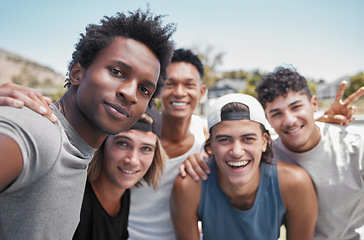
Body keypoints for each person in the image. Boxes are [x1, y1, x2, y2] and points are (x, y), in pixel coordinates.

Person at [0, 9, 174, 239]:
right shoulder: (39, 132)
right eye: (117, 72)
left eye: (144, 89)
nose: (130, 93)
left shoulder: (77, 153)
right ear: (77, 72)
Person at [170, 93, 317, 240]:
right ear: (211, 146)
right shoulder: (189, 186)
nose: (237, 152)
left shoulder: (295, 183)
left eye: (248, 139)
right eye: (224, 140)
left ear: (264, 142)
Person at [255, 67, 364, 239]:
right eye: (277, 114)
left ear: (314, 104)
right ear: (267, 119)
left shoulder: (357, 146)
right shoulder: (266, 157)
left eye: (296, 107)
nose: (289, 120)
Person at [127, 48, 207, 239]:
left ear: (201, 91)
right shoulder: (133, 135)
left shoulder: (205, 139)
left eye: (189, 85)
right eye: (170, 84)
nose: (179, 93)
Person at [73, 106, 167, 240]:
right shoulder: (75, 200)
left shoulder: (124, 194)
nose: (133, 160)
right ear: (103, 144)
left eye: (146, 148)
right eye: (122, 143)